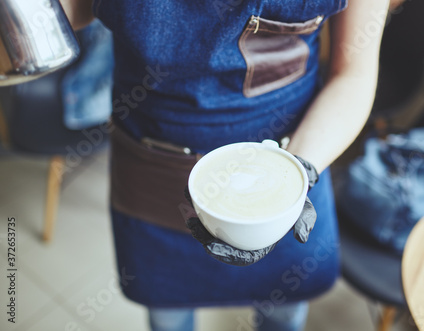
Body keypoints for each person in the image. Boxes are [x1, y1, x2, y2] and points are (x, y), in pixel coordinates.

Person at [60, 0, 391, 330]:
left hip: (295, 164)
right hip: (152, 168)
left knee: (283, 313)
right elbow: (64, 13)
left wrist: (300, 169)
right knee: (168, 317)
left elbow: (353, 73)